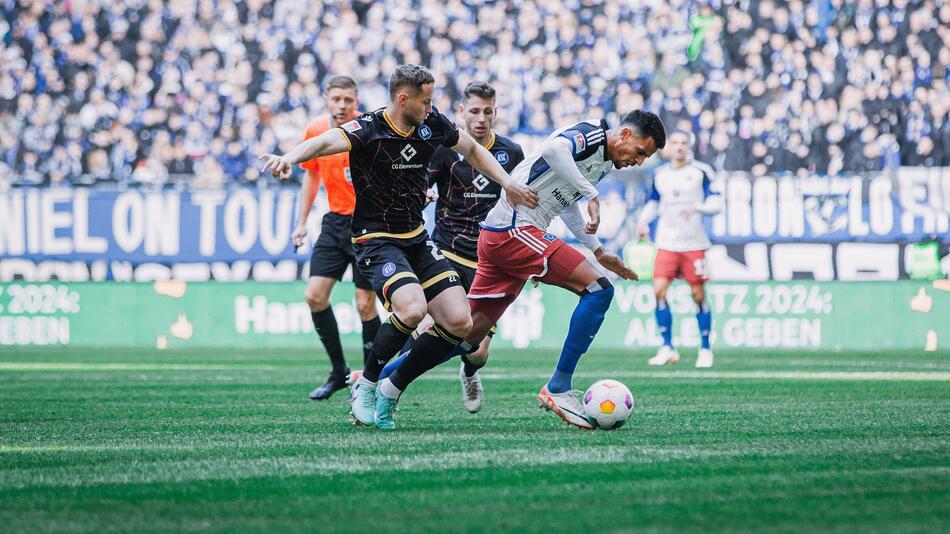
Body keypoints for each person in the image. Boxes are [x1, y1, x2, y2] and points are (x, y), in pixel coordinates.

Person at [259, 64, 538, 430]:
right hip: (376, 240)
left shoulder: (431, 123)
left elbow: (471, 149)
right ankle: (368, 382)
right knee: (411, 309)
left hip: (417, 239)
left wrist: (508, 183)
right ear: (403, 98)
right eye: (425, 101)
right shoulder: (369, 129)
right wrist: (289, 157)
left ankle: (392, 386)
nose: (431, 107)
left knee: (459, 322)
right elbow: (326, 142)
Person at [379, 110, 666, 429]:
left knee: (464, 334)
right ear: (625, 134)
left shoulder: (602, 162)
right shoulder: (591, 135)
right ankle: (558, 387)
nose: (638, 161)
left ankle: (383, 382)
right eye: (641, 152)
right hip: (515, 230)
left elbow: (564, 203)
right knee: (599, 289)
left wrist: (597, 249)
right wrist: (592, 193)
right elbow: (554, 150)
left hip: (504, 233)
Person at [379, 81, 525, 414]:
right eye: (474, 110)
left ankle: (469, 372)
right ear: (461, 112)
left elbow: (520, 204)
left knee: (476, 350)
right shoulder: (445, 149)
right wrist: (424, 193)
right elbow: (420, 182)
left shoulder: (512, 153)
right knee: (423, 326)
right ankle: (382, 387)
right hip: (445, 252)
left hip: (489, 263)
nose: (481, 118)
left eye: (488, 111)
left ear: (495, 113)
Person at [293, 75, 381, 401]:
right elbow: (311, 176)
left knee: (364, 303)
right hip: (333, 223)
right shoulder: (316, 130)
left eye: (348, 99)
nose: (342, 105)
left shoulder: (368, 130)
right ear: (327, 100)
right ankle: (339, 372)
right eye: (336, 99)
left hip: (366, 225)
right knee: (315, 295)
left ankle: (368, 380)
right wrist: (301, 222)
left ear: (356, 100)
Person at [636, 130, 722, 368]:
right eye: (675, 143)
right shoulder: (660, 175)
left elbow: (716, 202)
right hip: (667, 243)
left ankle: (705, 348)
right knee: (659, 290)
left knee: (698, 295)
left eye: (684, 142)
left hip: (694, 243)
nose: (680, 147)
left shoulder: (700, 172)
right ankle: (667, 347)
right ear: (668, 147)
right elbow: (653, 201)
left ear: (690, 146)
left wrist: (698, 208)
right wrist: (643, 221)